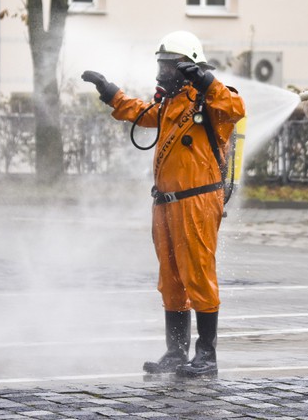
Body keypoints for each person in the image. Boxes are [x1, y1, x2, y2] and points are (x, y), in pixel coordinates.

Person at [82, 31, 246, 377]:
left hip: (198, 201)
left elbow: (236, 108)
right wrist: (110, 92)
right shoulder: (171, 103)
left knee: (198, 274)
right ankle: (176, 351)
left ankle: (207, 356)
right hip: (166, 204)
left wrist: (206, 81)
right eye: (161, 65)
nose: (160, 73)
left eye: (167, 66)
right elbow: (141, 113)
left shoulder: (212, 100)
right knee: (171, 278)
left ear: (187, 68)